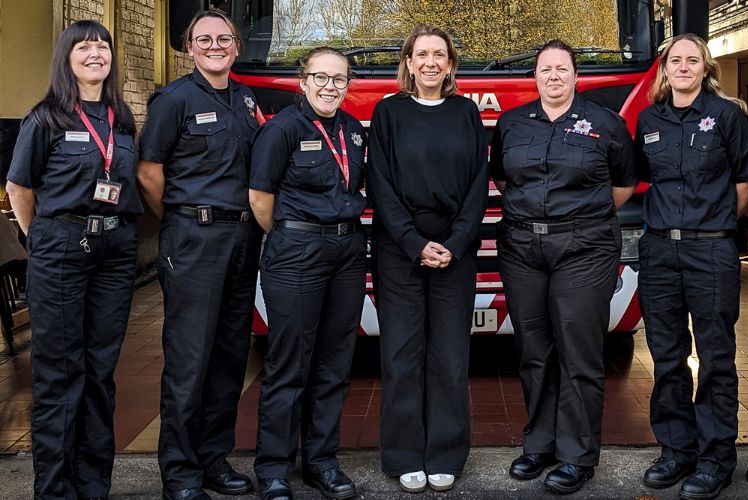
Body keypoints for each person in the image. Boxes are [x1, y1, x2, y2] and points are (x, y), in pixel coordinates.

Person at [490, 39, 637, 495]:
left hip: (585, 249)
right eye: (545, 69)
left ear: (576, 76)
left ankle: (577, 456)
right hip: (522, 249)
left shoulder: (605, 124)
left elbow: (624, 184)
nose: (553, 76)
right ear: (535, 77)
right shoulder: (513, 123)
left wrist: (577, 220)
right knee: (534, 351)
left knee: (579, 351)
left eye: (561, 69)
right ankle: (540, 444)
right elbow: (502, 177)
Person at [5, 20, 142, 499]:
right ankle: (55, 489)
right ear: (66, 57)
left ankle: (92, 484)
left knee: (100, 371)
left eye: (102, 45)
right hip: (61, 249)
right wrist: (42, 238)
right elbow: (19, 189)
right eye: (83, 46)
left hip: (115, 252)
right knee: (61, 372)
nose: (95, 53)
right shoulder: (44, 118)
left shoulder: (121, 120)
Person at [136, 9, 262, 500]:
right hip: (194, 239)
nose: (214, 45)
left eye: (223, 38)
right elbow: (149, 172)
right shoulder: (174, 99)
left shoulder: (246, 100)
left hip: (241, 240)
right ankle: (181, 473)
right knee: (189, 361)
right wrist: (181, 219)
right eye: (204, 39)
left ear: (236, 47)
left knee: (229, 357)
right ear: (189, 48)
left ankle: (213, 460)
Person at [632, 34, 748, 500]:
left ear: (705, 68)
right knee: (666, 357)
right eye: (675, 61)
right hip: (661, 251)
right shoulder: (649, 119)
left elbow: (747, 181)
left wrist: (716, 223)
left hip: (711, 252)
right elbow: (639, 176)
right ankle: (676, 450)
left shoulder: (727, 115)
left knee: (716, 357)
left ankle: (717, 457)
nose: (683, 67)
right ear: (665, 69)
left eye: (693, 60)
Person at [367, 24, 488, 494]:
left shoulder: (467, 114)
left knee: (451, 356)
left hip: (455, 249)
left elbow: (480, 185)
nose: (431, 62)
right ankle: (402, 454)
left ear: (451, 65)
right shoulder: (388, 114)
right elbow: (379, 182)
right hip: (401, 248)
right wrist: (414, 243)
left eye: (440, 54)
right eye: (422, 54)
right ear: (409, 64)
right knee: (400, 353)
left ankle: (446, 453)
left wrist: (455, 243)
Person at [249, 47, 367, 500]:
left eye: (339, 79)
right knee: (289, 363)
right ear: (303, 81)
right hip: (297, 250)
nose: (330, 86)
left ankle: (321, 463)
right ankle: (275, 469)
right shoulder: (281, 130)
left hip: (347, 250)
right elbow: (261, 200)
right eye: (320, 77)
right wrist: (294, 236)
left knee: (334, 363)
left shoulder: (354, 131)